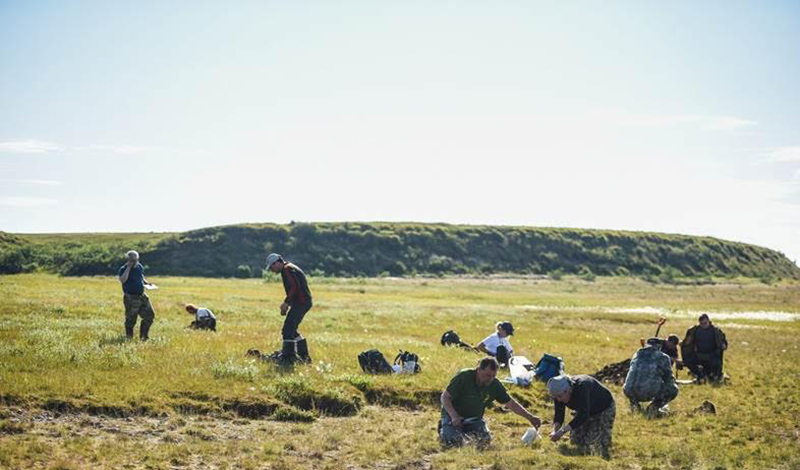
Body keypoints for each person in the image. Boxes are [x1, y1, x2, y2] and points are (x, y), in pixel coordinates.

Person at [440, 357, 541, 448]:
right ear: (479, 370)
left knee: (484, 441)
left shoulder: (495, 384)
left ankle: (461, 433)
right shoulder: (464, 377)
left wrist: (530, 417)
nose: (491, 379)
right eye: (488, 375)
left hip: (474, 419)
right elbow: (445, 397)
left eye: (493, 376)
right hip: (453, 417)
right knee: (453, 442)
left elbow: (511, 404)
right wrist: (454, 416)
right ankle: (444, 428)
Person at [547, 374, 616, 458]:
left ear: (567, 390)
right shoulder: (558, 393)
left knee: (595, 445)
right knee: (576, 442)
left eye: (560, 396)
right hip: (585, 410)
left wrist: (562, 431)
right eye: (556, 397)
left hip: (603, 409)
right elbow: (559, 413)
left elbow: (583, 415)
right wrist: (555, 431)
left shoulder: (582, 386)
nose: (559, 400)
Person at [265, 253, 313, 365]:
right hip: (303, 302)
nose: (271, 270)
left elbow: (294, 287)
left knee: (287, 330)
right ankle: (304, 357)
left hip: (301, 303)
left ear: (277, 262)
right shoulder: (289, 267)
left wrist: (286, 302)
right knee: (291, 330)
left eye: (272, 267)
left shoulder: (287, 269)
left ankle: (288, 359)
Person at [623, 338, 679, 416]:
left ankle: (634, 405)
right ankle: (654, 407)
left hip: (628, 390)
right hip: (646, 392)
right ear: (660, 346)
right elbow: (669, 379)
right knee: (673, 389)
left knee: (635, 380)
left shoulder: (636, 354)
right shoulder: (663, 357)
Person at [117, 250, 155, 341]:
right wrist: (128, 268)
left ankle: (143, 337)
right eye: (132, 260)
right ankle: (129, 338)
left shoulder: (139, 266)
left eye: (136, 260)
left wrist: (146, 283)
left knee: (149, 316)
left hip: (142, 296)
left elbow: (141, 276)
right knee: (131, 319)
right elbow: (123, 280)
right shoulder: (123, 269)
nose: (135, 262)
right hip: (131, 298)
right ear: (128, 260)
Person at [681, 314, 728, 382]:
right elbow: (686, 342)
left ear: (709, 321)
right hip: (699, 356)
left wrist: (723, 345)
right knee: (689, 361)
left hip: (712, 356)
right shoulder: (694, 330)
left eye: (705, 323)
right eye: (701, 323)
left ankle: (713, 374)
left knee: (714, 372)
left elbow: (723, 343)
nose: (703, 325)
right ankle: (699, 373)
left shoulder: (716, 331)